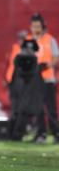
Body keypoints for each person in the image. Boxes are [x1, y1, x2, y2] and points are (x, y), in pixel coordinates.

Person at [26, 14, 59, 144]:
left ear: (42, 26)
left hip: (47, 78)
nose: (36, 29)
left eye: (38, 26)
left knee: (51, 108)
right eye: (34, 26)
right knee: (37, 108)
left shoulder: (49, 39)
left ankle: (56, 132)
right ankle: (41, 134)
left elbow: (56, 57)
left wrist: (46, 65)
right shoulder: (28, 40)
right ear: (31, 27)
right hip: (34, 80)